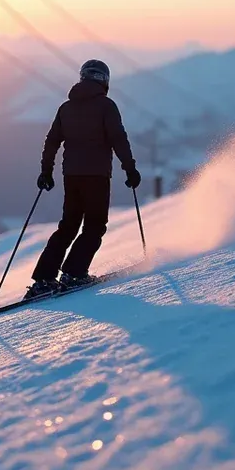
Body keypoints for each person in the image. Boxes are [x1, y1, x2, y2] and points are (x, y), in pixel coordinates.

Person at [27, 59, 140, 298]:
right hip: (97, 176)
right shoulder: (106, 106)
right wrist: (129, 168)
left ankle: (44, 278)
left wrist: (46, 171)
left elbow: (51, 142)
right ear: (105, 81)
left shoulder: (66, 108)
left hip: (72, 176)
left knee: (67, 226)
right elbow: (118, 138)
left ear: (82, 78)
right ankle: (75, 273)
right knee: (95, 225)